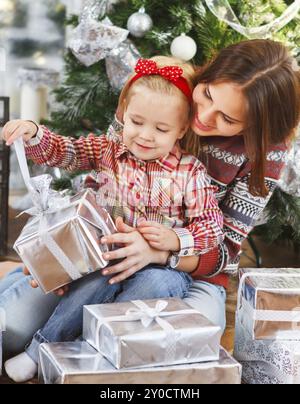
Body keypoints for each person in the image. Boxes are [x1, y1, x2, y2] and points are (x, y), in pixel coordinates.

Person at [0, 38, 298, 381]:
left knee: (170, 352)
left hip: (187, 272)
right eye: (207, 97)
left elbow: (220, 242)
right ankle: (23, 295)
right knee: (14, 328)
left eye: (228, 119)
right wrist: (60, 256)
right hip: (101, 255)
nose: (203, 116)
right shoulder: (159, 92)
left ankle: (70, 363)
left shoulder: (206, 168)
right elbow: (83, 160)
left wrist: (162, 250)